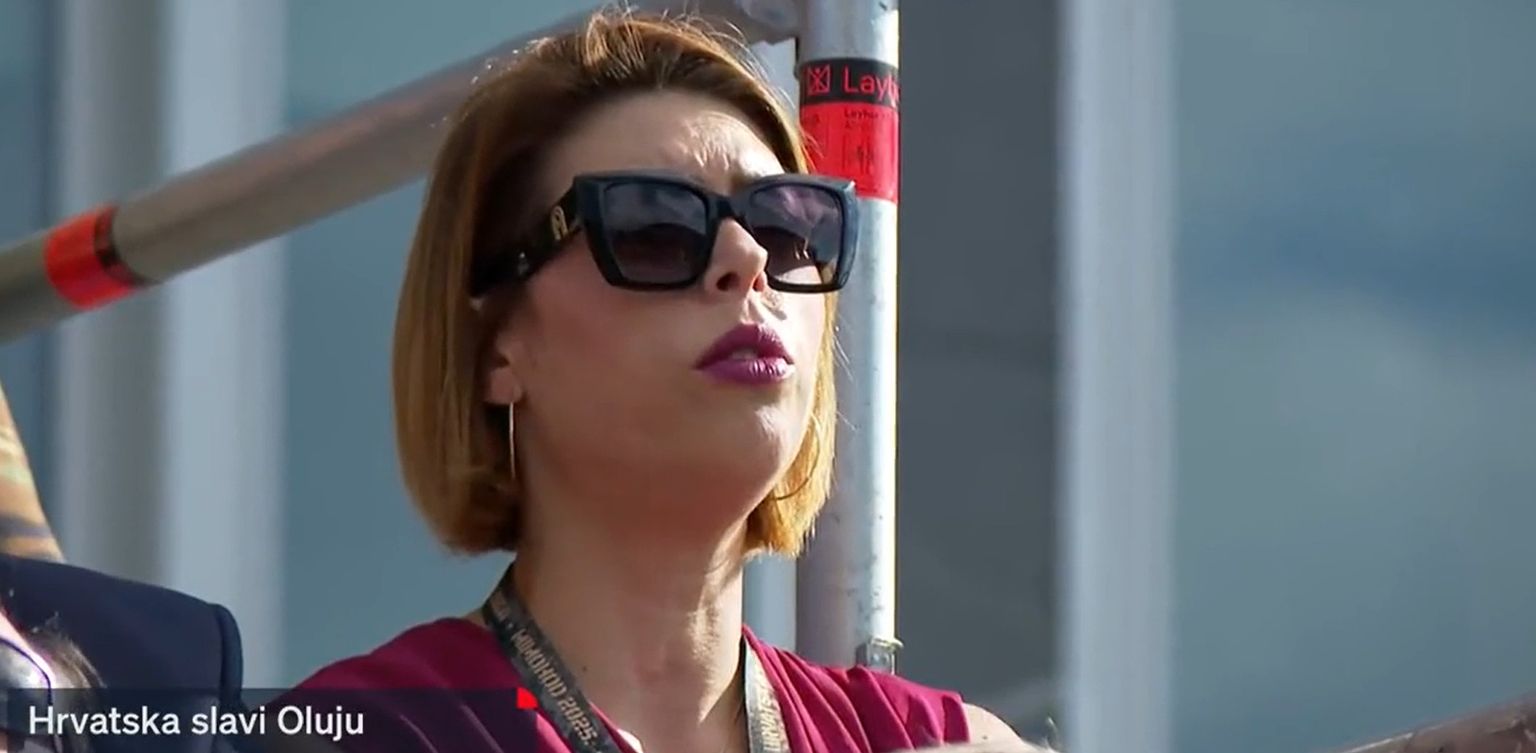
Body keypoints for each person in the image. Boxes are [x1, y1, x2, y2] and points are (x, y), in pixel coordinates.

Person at [293, 9, 1032, 753]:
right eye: (653, 227)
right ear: (496, 352)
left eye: (785, 227)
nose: (746, 258)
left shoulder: (949, 741)